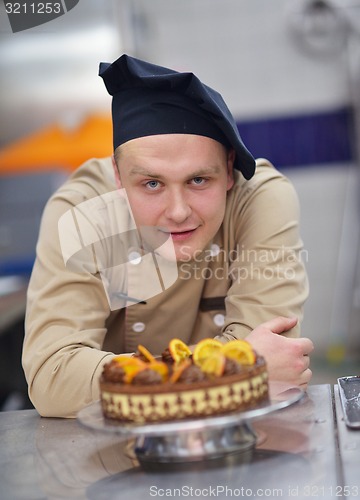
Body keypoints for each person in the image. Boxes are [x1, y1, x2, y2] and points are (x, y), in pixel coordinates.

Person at [22, 54, 313, 418]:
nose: (177, 211)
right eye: (152, 184)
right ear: (117, 176)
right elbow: (54, 378)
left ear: (227, 169)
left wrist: (136, 379)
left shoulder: (258, 199)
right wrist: (236, 364)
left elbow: (278, 355)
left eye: (197, 180)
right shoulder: (82, 209)